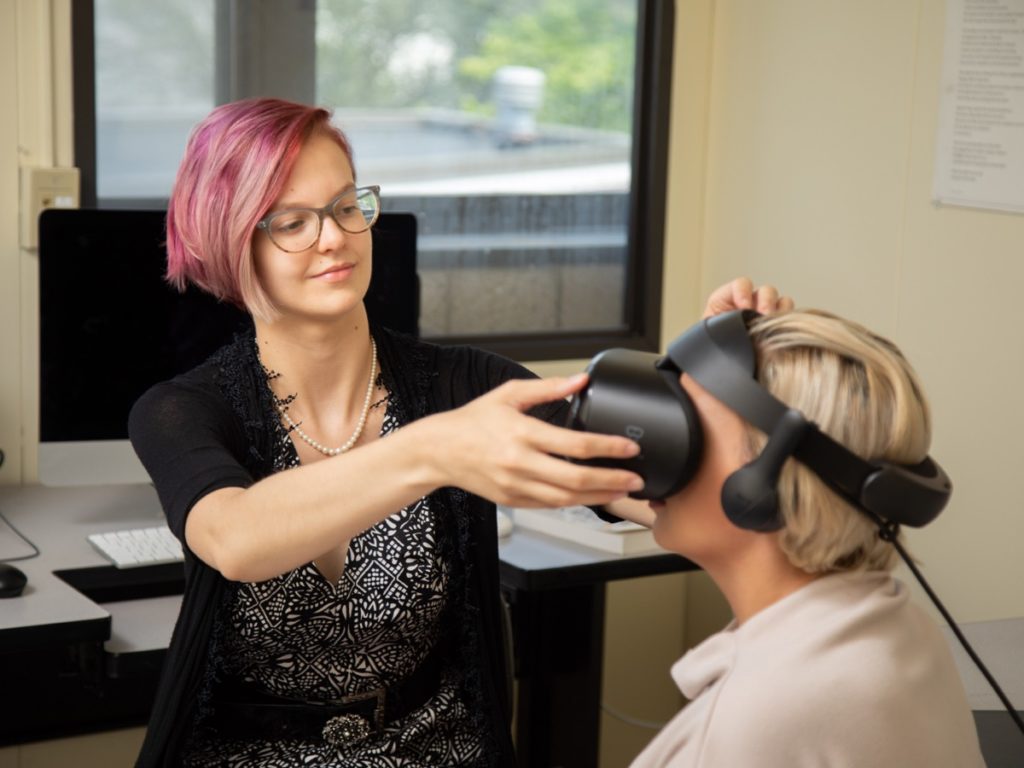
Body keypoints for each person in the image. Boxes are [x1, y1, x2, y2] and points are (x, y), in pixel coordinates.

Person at [128, 96, 788, 767]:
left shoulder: (465, 384)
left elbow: (649, 482)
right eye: (293, 222)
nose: (333, 238)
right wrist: (434, 449)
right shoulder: (182, 409)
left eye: (346, 206)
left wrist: (720, 379)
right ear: (231, 241)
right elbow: (235, 540)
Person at [629, 309, 985, 767]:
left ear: (761, 483)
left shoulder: (755, 720)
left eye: (685, 426)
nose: (656, 452)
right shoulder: (903, 631)